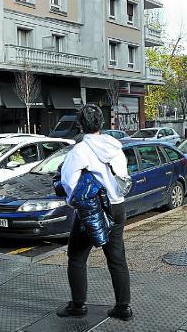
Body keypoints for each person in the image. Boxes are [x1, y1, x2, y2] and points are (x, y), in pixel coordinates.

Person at [57, 104, 133, 321]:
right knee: (117, 258)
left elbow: (69, 183)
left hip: (93, 209)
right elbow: (122, 178)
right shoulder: (115, 147)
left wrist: (74, 203)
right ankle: (123, 307)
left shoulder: (80, 150)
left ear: (80, 125)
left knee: (77, 257)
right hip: (117, 206)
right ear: (102, 123)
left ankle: (78, 306)